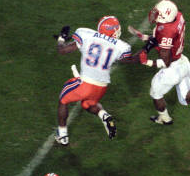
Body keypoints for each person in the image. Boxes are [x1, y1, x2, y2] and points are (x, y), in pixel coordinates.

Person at [130, 0, 190, 125]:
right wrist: (144, 37)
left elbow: (166, 62)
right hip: (183, 63)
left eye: (157, 14)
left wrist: (147, 62)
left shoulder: (166, 32)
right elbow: (161, 39)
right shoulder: (177, 16)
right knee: (185, 100)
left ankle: (164, 118)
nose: (154, 15)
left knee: (155, 93)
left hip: (172, 69)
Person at [55, 16, 136, 145]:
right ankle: (103, 114)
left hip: (85, 84)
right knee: (87, 103)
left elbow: (62, 50)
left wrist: (61, 38)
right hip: (102, 87)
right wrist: (144, 53)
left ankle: (62, 135)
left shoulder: (85, 34)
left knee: (63, 99)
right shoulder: (122, 46)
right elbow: (128, 60)